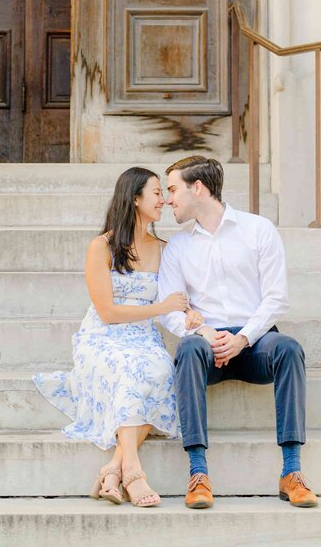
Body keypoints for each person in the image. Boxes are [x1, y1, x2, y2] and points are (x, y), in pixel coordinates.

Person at [33, 166, 202, 507]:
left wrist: (190, 313)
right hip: (103, 337)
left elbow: (179, 299)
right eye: (157, 193)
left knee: (159, 371)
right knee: (127, 370)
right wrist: (160, 308)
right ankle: (134, 472)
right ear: (135, 198)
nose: (164, 200)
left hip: (144, 339)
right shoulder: (102, 247)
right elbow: (108, 312)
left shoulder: (165, 249)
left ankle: (113, 467)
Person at [157, 155, 318, 511]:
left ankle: (292, 471)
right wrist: (203, 331)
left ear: (197, 188)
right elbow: (169, 308)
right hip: (207, 345)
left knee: (289, 348)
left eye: (173, 189)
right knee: (186, 351)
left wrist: (243, 338)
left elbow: (277, 298)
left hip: (255, 343)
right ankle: (198, 473)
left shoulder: (258, 229)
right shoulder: (178, 246)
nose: (169, 199)